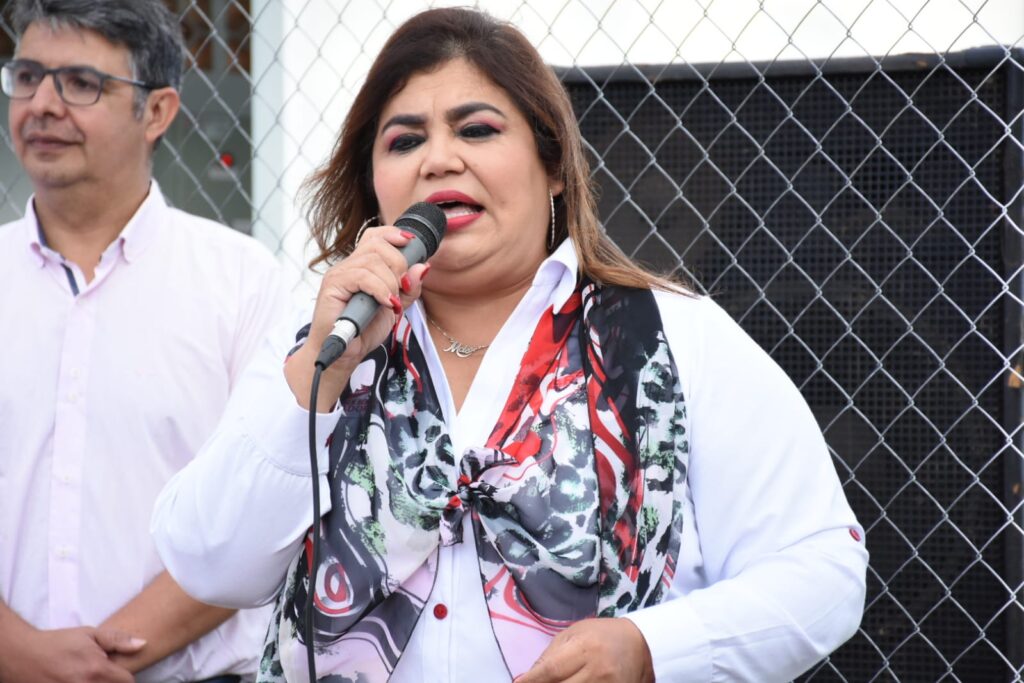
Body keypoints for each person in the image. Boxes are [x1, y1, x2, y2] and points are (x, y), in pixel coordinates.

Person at [151, 7, 868, 682]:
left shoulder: (673, 337)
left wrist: (653, 649)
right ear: (374, 186)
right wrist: (323, 370)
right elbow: (209, 563)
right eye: (404, 141)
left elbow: (821, 569)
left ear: (552, 166)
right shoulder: (317, 340)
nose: (439, 159)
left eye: (477, 130)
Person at [0, 1, 288, 681]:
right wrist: (23, 656)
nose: (42, 105)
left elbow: (261, 512)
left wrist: (93, 662)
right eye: (28, 76)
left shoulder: (242, 282)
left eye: (80, 83)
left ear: (157, 111)